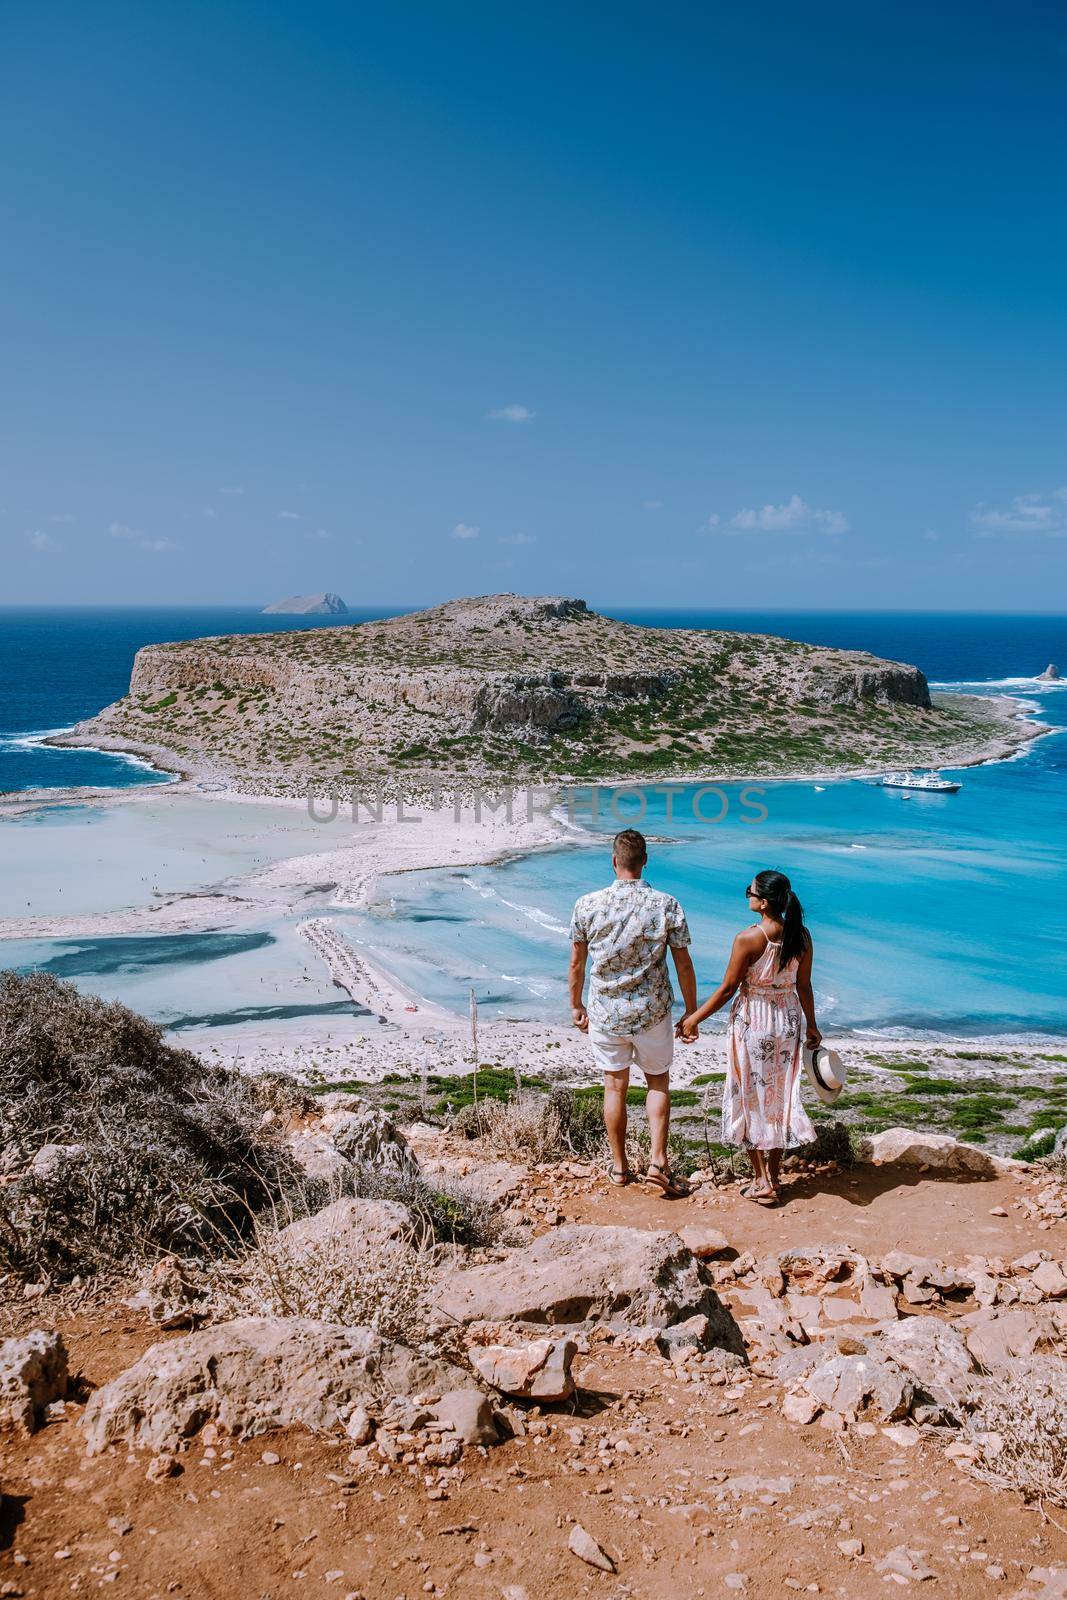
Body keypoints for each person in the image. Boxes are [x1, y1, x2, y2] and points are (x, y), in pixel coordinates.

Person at [678, 869, 821, 1206]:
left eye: (750, 891)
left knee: (750, 1096)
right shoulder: (802, 936)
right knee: (779, 1098)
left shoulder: (749, 938)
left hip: (754, 1022)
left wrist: (694, 1018)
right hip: (787, 1021)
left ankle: (761, 1181)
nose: (747, 895)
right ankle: (774, 1176)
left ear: (764, 903)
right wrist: (812, 1025)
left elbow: (728, 988)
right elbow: (804, 986)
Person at [569, 828, 697, 1197]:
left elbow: (577, 963)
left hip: (606, 1012)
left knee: (614, 1087)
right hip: (652, 1012)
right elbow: (683, 964)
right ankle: (658, 1162)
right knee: (658, 1082)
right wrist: (690, 1012)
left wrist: (576, 1005)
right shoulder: (667, 904)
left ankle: (620, 1167)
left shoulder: (587, 905)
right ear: (644, 862)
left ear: (614, 861)